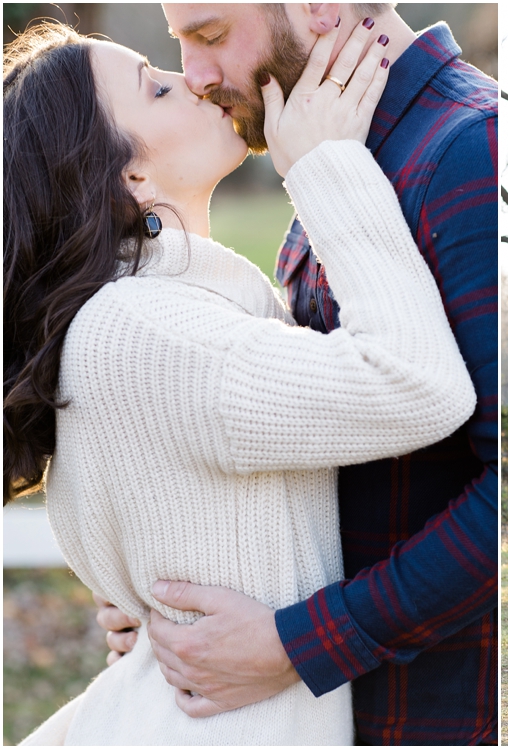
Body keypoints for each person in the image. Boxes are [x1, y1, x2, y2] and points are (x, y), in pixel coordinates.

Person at [4, 17, 477, 745]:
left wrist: (153, 586)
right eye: (158, 86)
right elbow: (417, 386)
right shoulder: (145, 330)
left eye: (209, 35)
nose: (193, 78)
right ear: (129, 175)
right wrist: (322, 166)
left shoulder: (181, 308)